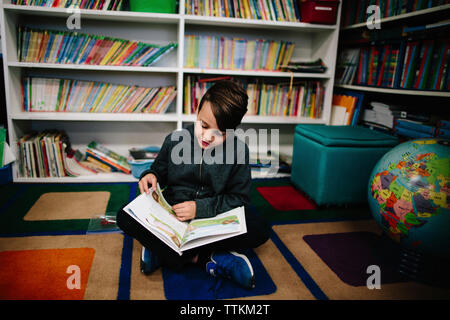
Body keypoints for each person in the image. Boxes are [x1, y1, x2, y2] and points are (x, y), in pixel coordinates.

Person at [116, 80, 271, 289]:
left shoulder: (239, 151)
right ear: (197, 111)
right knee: (124, 216)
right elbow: (157, 171)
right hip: (173, 213)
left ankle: (164, 252)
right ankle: (208, 258)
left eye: (220, 133)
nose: (207, 137)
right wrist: (149, 176)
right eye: (204, 126)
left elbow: (239, 199)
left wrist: (200, 209)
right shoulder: (175, 139)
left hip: (212, 217)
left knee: (260, 228)